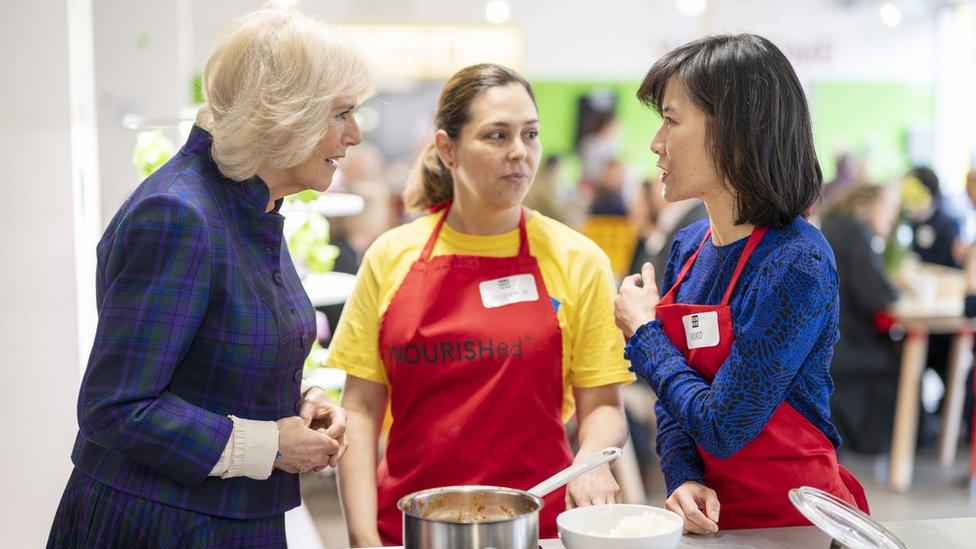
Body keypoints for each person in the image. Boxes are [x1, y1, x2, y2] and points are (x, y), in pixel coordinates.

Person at [47, 5, 371, 547]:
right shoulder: (181, 214)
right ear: (283, 115)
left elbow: (208, 365)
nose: (355, 134)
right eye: (341, 114)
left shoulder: (247, 205)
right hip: (162, 524)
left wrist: (297, 401)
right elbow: (115, 406)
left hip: (221, 517)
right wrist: (267, 444)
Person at [328, 63, 634, 546]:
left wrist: (591, 460)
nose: (520, 153)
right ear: (447, 148)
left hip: (536, 527)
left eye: (529, 135)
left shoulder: (577, 259)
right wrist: (362, 538)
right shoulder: (392, 256)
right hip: (410, 529)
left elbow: (602, 404)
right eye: (497, 136)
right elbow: (361, 409)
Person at [613, 34, 869, 535]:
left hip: (798, 525)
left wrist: (645, 335)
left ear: (734, 132)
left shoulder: (797, 262)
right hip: (711, 521)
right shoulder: (690, 247)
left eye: (671, 119)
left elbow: (724, 425)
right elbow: (676, 399)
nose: (656, 142)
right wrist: (682, 475)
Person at [822, 184, 901, 455]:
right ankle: (894, 445)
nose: (892, 218)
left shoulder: (836, 225)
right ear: (871, 205)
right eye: (889, 209)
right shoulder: (854, 233)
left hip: (830, 339)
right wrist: (896, 288)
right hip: (846, 344)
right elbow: (876, 296)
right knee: (898, 356)